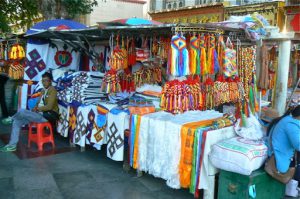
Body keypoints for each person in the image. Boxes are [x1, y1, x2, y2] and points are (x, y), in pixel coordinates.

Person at [0, 72, 59, 152]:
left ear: (50, 81)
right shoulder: (43, 90)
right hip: (38, 114)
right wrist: (35, 108)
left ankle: (12, 118)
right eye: (43, 81)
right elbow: (38, 103)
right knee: (17, 122)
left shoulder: (53, 91)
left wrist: (37, 109)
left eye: (46, 81)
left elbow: (49, 107)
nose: (44, 83)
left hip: (47, 116)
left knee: (22, 111)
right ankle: (12, 145)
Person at [267, 105, 300, 173]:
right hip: (279, 160)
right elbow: (298, 145)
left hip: (278, 155)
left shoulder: (287, 119)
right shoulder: (292, 124)